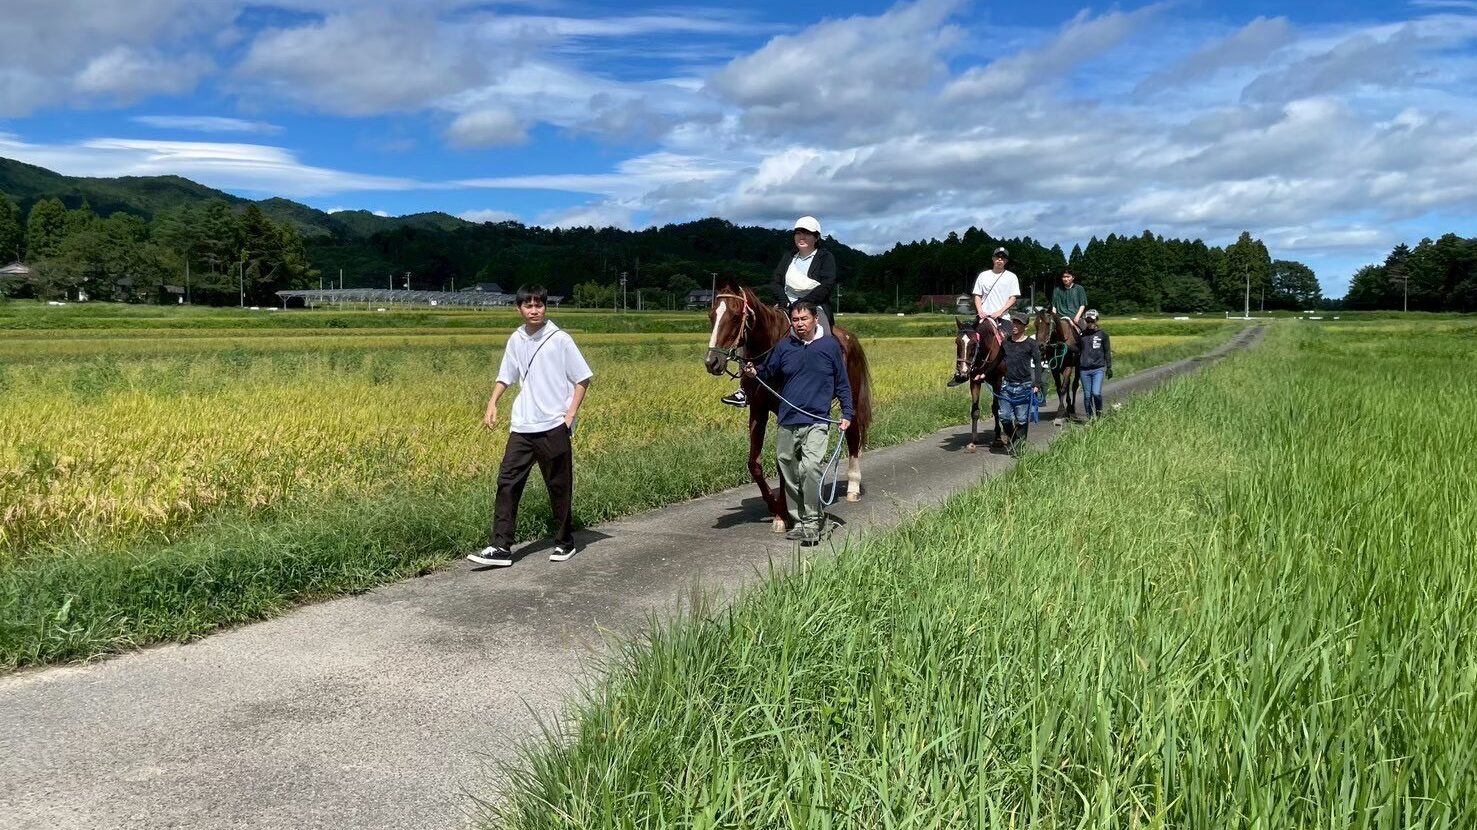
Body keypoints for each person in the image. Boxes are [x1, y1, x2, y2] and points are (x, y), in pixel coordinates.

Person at [469, 285, 593, 567]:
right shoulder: (516, 339)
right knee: (507, 482)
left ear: (545, 308)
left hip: (553, 424)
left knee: (558, 485)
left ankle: (564, 542)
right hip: (522, 425)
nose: (534, 310)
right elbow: (506, 374)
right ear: (519, 309)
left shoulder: (560, 339)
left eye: (539, 305)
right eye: (528, 305)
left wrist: (570, 415)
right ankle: (501, 547)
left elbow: (582, 378)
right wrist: (492, 402)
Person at [742, 301, 853, 544]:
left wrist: (847, 412)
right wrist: (754, 372)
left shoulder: (829, 347)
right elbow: (768, 371)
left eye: (804, 319)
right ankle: (799, 521)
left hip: (816, 419)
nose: (800, 324)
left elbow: (842, 382)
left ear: (815, 319)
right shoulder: (784, 347)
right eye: (795, 320)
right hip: (788, 420)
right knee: (788, 470)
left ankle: (813, 521)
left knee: (810, 468)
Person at [722, 215, 837, 408]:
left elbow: (827, 284)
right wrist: (786, 302)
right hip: (786, 306)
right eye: (798, 233)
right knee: (753, 334)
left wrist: (803, 304)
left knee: (822, 336)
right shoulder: (788, 257)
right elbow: (775, 283)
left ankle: (821, 382)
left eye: (807, 233)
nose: (802, 237)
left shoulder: (825, 257)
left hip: (814, 307)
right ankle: (746, 387)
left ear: (816, 237)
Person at [997, 310, 1043, 455]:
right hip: (1007, 386)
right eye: (1013, 322)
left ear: (1025, 327)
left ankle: (1019, 447)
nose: (1015, 325)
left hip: (1024, 386)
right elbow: (997, 361)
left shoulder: (1031, 344)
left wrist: (1037, 384)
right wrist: (982, 374)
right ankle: (1012, 438)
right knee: (1004, 416)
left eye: (1018, 323)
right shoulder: (1005, 343)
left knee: (1022, 419)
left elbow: (1038, 363)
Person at [971, 246, 1020, 346]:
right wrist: (980, 310)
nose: (1000, 259)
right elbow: (977, 295)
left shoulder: (1011, 277)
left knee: (1008, 345)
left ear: (1006, 261)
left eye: (1003, 258)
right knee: (969, 340)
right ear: (993, 259)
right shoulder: (983, 275)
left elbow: (1013, 298)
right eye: (997, 257)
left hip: (1002, 318)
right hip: (983, 317)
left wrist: (1000, 312)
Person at [1077, 309, 1112, 420]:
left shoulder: (1103, 334)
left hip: (1098, 369)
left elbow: (1107, 351)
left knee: (1096, 393)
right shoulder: (1082, 335)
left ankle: (1099, 413)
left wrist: (1109, 367)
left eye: (1092, 321)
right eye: (1087, 321)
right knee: (1087, 396)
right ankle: (1090, 419)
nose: (1090, 323)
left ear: (1097, 320)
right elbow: (1077, 350)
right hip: (1084, 370)